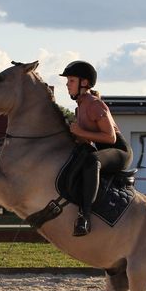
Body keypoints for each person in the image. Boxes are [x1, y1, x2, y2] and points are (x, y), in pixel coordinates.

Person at [59, 60, 133, 236]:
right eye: (67, 81)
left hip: (120, 152)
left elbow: (110, 137)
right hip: (104, 151)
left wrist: (80, 131)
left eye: (71, 81)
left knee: (92, 159)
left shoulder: (95, 104)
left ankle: (84, 217)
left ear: (84, 83)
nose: (67, 85)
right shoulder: (79, 108)